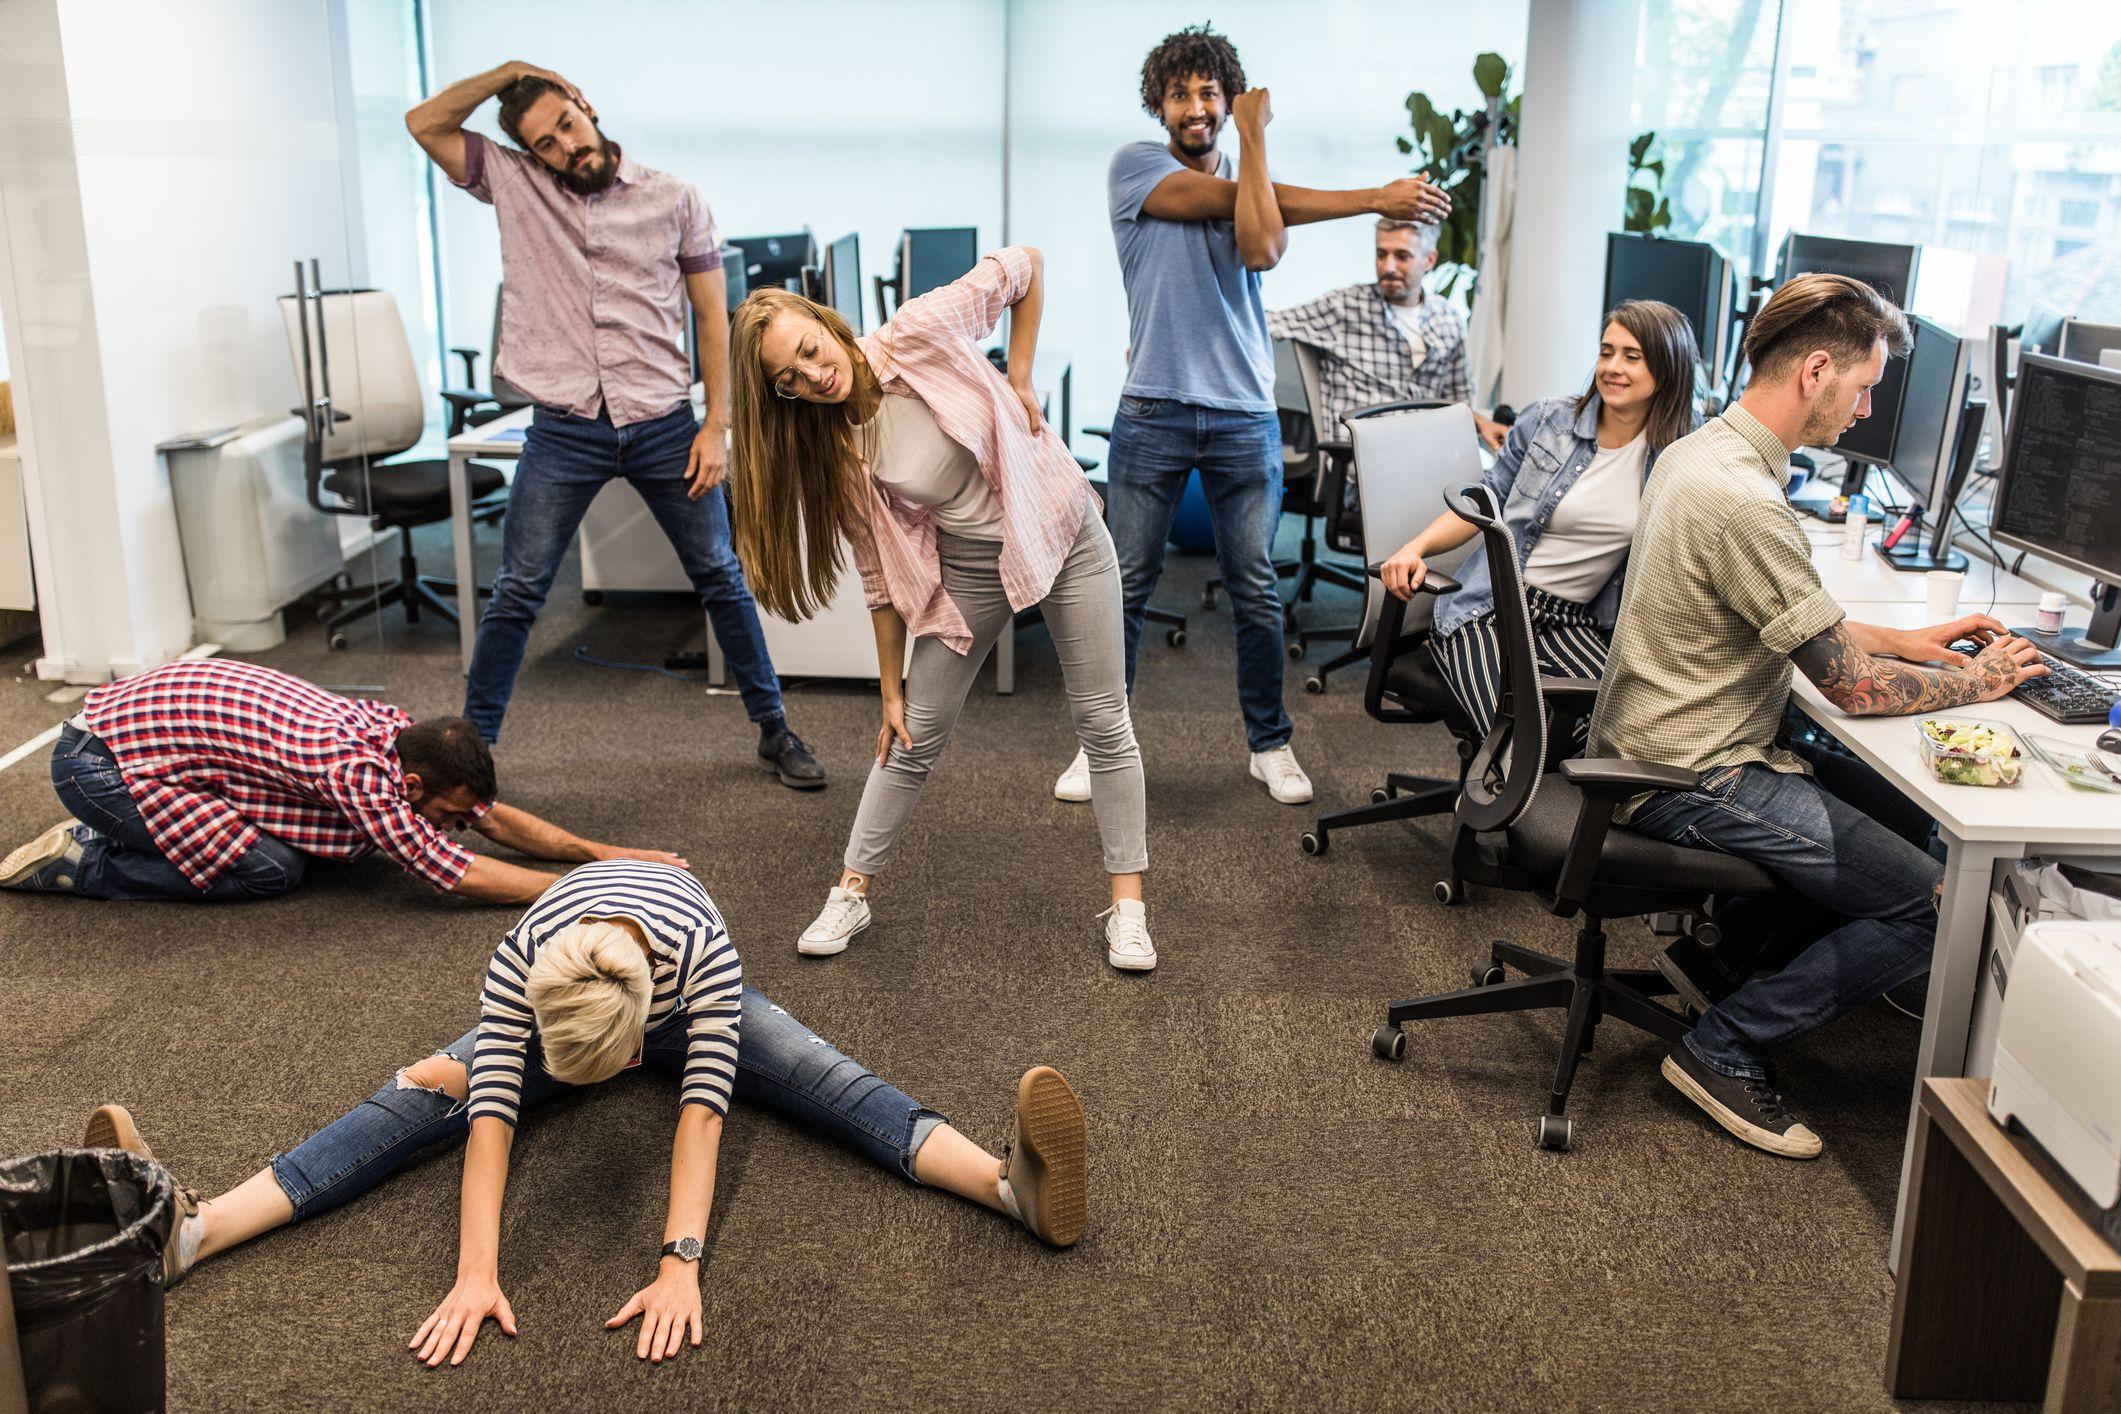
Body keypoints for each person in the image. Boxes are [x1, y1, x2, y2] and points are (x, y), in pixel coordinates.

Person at [77, 859, 1089, 1367]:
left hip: (685, 993)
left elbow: (702, 1119)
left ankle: (1010, 1188)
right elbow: (492, 1128)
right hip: (575, 997)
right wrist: (476, 1272)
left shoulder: (703, 952)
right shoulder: (523, 966)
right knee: (413, 1098)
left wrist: (676, 1261)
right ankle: (193, 1232)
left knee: (832, 1081)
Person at [1588, 273, 2049, 1160]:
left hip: (1666, 734)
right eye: (1865, 386)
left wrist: (1916, 640)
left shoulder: (1704, 453)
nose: (1868, 408)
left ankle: (1722, 963)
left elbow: (1799, 624)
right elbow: (1853, 690)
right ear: (1816, 370)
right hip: (1693, 772)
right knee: (1938, 905)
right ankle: (1724, 1044)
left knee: (1904, 814)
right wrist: (1982, 682)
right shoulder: (1745, 502)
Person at [726, 249, 1156, 972]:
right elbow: (876, 576)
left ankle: (1129, 908)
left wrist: (1018, 378)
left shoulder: (918, 330)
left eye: (808, 350)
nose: (811, 375)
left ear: (823, 322)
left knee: (1101, 720)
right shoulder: (834, 444)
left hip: (1060, 531)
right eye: (789, 381)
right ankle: (849, 893)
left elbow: (1024, 266)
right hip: (972, 566)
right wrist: (888, 691)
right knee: (910, 735)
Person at [405, 61, 823, 789]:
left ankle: (774, 730)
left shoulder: (675, 198)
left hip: (663, 423)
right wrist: (509, 71)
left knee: (720, 576)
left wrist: (714, 426)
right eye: (544, 143)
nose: (564, 146)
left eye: (566, 124)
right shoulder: (513, 183)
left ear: (585, 108)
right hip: (565, 428)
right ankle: (470, 757)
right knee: (519, 590)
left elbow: (710, 318)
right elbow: (424, 124)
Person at [1101, 24, 1451, 807]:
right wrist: (1366, 197)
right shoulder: (1135, 167)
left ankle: (1269, 743)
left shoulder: (1248, 172)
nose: (1196, 107)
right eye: (1181, 93)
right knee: (1124, 583)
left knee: (1255, 589)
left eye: (1210, 94)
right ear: (1158, 104)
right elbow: (1228, 206)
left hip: (1240, 412)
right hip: (1153, 405)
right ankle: (1103, 745)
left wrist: (1252, 146)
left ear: (1227, 102)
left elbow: (1259, 247)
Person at [0, 658, 678, 905]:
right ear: (410, 785)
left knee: (293, 850)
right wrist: (585, 893)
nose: (452, 821)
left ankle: (120, 837)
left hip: (147, 735)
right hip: (99, 764)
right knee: (270, 869)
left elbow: (491, 820)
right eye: (443, 811)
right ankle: (86, 861)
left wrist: (610, 857)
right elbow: (454, 871)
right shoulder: (355, 770)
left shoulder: (404, 739)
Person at [1378, 300, 1701, 744]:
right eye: (1607, 352)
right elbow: (1484, 502)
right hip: (1493, 607)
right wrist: (1415, 548)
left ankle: (1519, 797)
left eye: (1632, 356)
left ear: (1668, 368)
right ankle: (1489, 803)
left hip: (1572, 619)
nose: (1612, 367)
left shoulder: (1681, 448)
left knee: (1613, 733)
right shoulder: (1550, 421)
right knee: (1530, 733)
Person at [1267, 218, 1507, 450]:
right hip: (1361, 460)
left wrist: (1484, 424)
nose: (1388, 267)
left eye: (1402, 256)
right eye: (1381, 255)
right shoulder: (1345, 307)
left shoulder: (1447, 319)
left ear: (1429, 260)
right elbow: (1266, 323)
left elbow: (1457, 403)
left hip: (1426, 454)